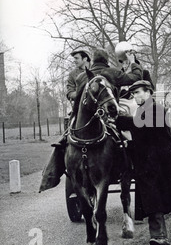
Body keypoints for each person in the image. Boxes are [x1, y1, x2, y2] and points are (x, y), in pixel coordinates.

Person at [39, 48, 143, 192]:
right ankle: (133, 164)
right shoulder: (112, 73)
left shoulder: (82, 77)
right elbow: (135, 77)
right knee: (128, 139)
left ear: (91, 60)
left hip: (84, 118)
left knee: (65, 139)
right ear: (106, 61)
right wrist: (133, 62)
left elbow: (74, 96)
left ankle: (51, 172)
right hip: (109, 117)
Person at [116, 80, 171, 245]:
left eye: (138, 92)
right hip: (147, 164)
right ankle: (159, 237)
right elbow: (141, 137)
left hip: (163, 163)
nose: (135, 96)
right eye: (134, 93)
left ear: (148, 92)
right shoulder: (141, 110)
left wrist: (118, 119)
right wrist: (130, 145)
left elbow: (141, 127)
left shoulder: (156, 109)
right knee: (152, 200)